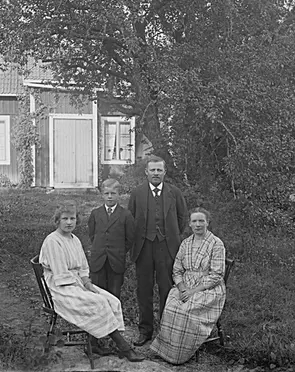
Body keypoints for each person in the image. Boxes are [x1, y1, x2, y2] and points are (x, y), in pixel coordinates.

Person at [39, 201, 144, 361]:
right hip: (61, 288)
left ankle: (94, 344)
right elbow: (60, 273)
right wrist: (81, 287)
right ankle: (124, 348)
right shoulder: (53, 241)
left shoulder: (74, 239)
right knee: (99, 302)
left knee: (112, 300)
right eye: (65, 219)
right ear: (57, 221)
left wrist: (87, 284)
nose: (69, 222)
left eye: (72, 219)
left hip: (77, 283)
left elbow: (82, 267)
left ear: (77, 220)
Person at [149, 208, 226, 364]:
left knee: (185, 311)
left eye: (201, 221)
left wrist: (193, 291)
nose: (198, 225)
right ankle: (167, 351)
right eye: (194, 221)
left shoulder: (216, 244)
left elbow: (217, 275)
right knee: (171, 306)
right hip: (186, 285)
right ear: (190, 224)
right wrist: (182, 288)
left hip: (208, 288)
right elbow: (177, 270)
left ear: (207, 222)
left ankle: (180, 355)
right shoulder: (186, 243)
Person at [128, 155, 188, 346]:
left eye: (159, 170)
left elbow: (182, 219)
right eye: (152, 170)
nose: (155, 173)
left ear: (164, 172)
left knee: (166, 290)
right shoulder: (137, 193)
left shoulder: (174, 192)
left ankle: (165, 331)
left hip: (167, 248)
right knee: (144, 290)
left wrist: (170, 236)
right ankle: (145, 330)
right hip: (143, 247)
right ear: (146, 172)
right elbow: (130, 219)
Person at [88, 178, 135, 300]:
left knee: (114, 296)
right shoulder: (95, 214)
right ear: (102, 195)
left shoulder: (126, 215)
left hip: (116, 260)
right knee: (98, 295)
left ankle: (114, 319)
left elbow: (129, 239)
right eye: (106, 193)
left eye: (113, 194)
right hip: (98, 260)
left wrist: (119, 250)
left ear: (119, 195)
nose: (110, 197)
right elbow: (92, 235)